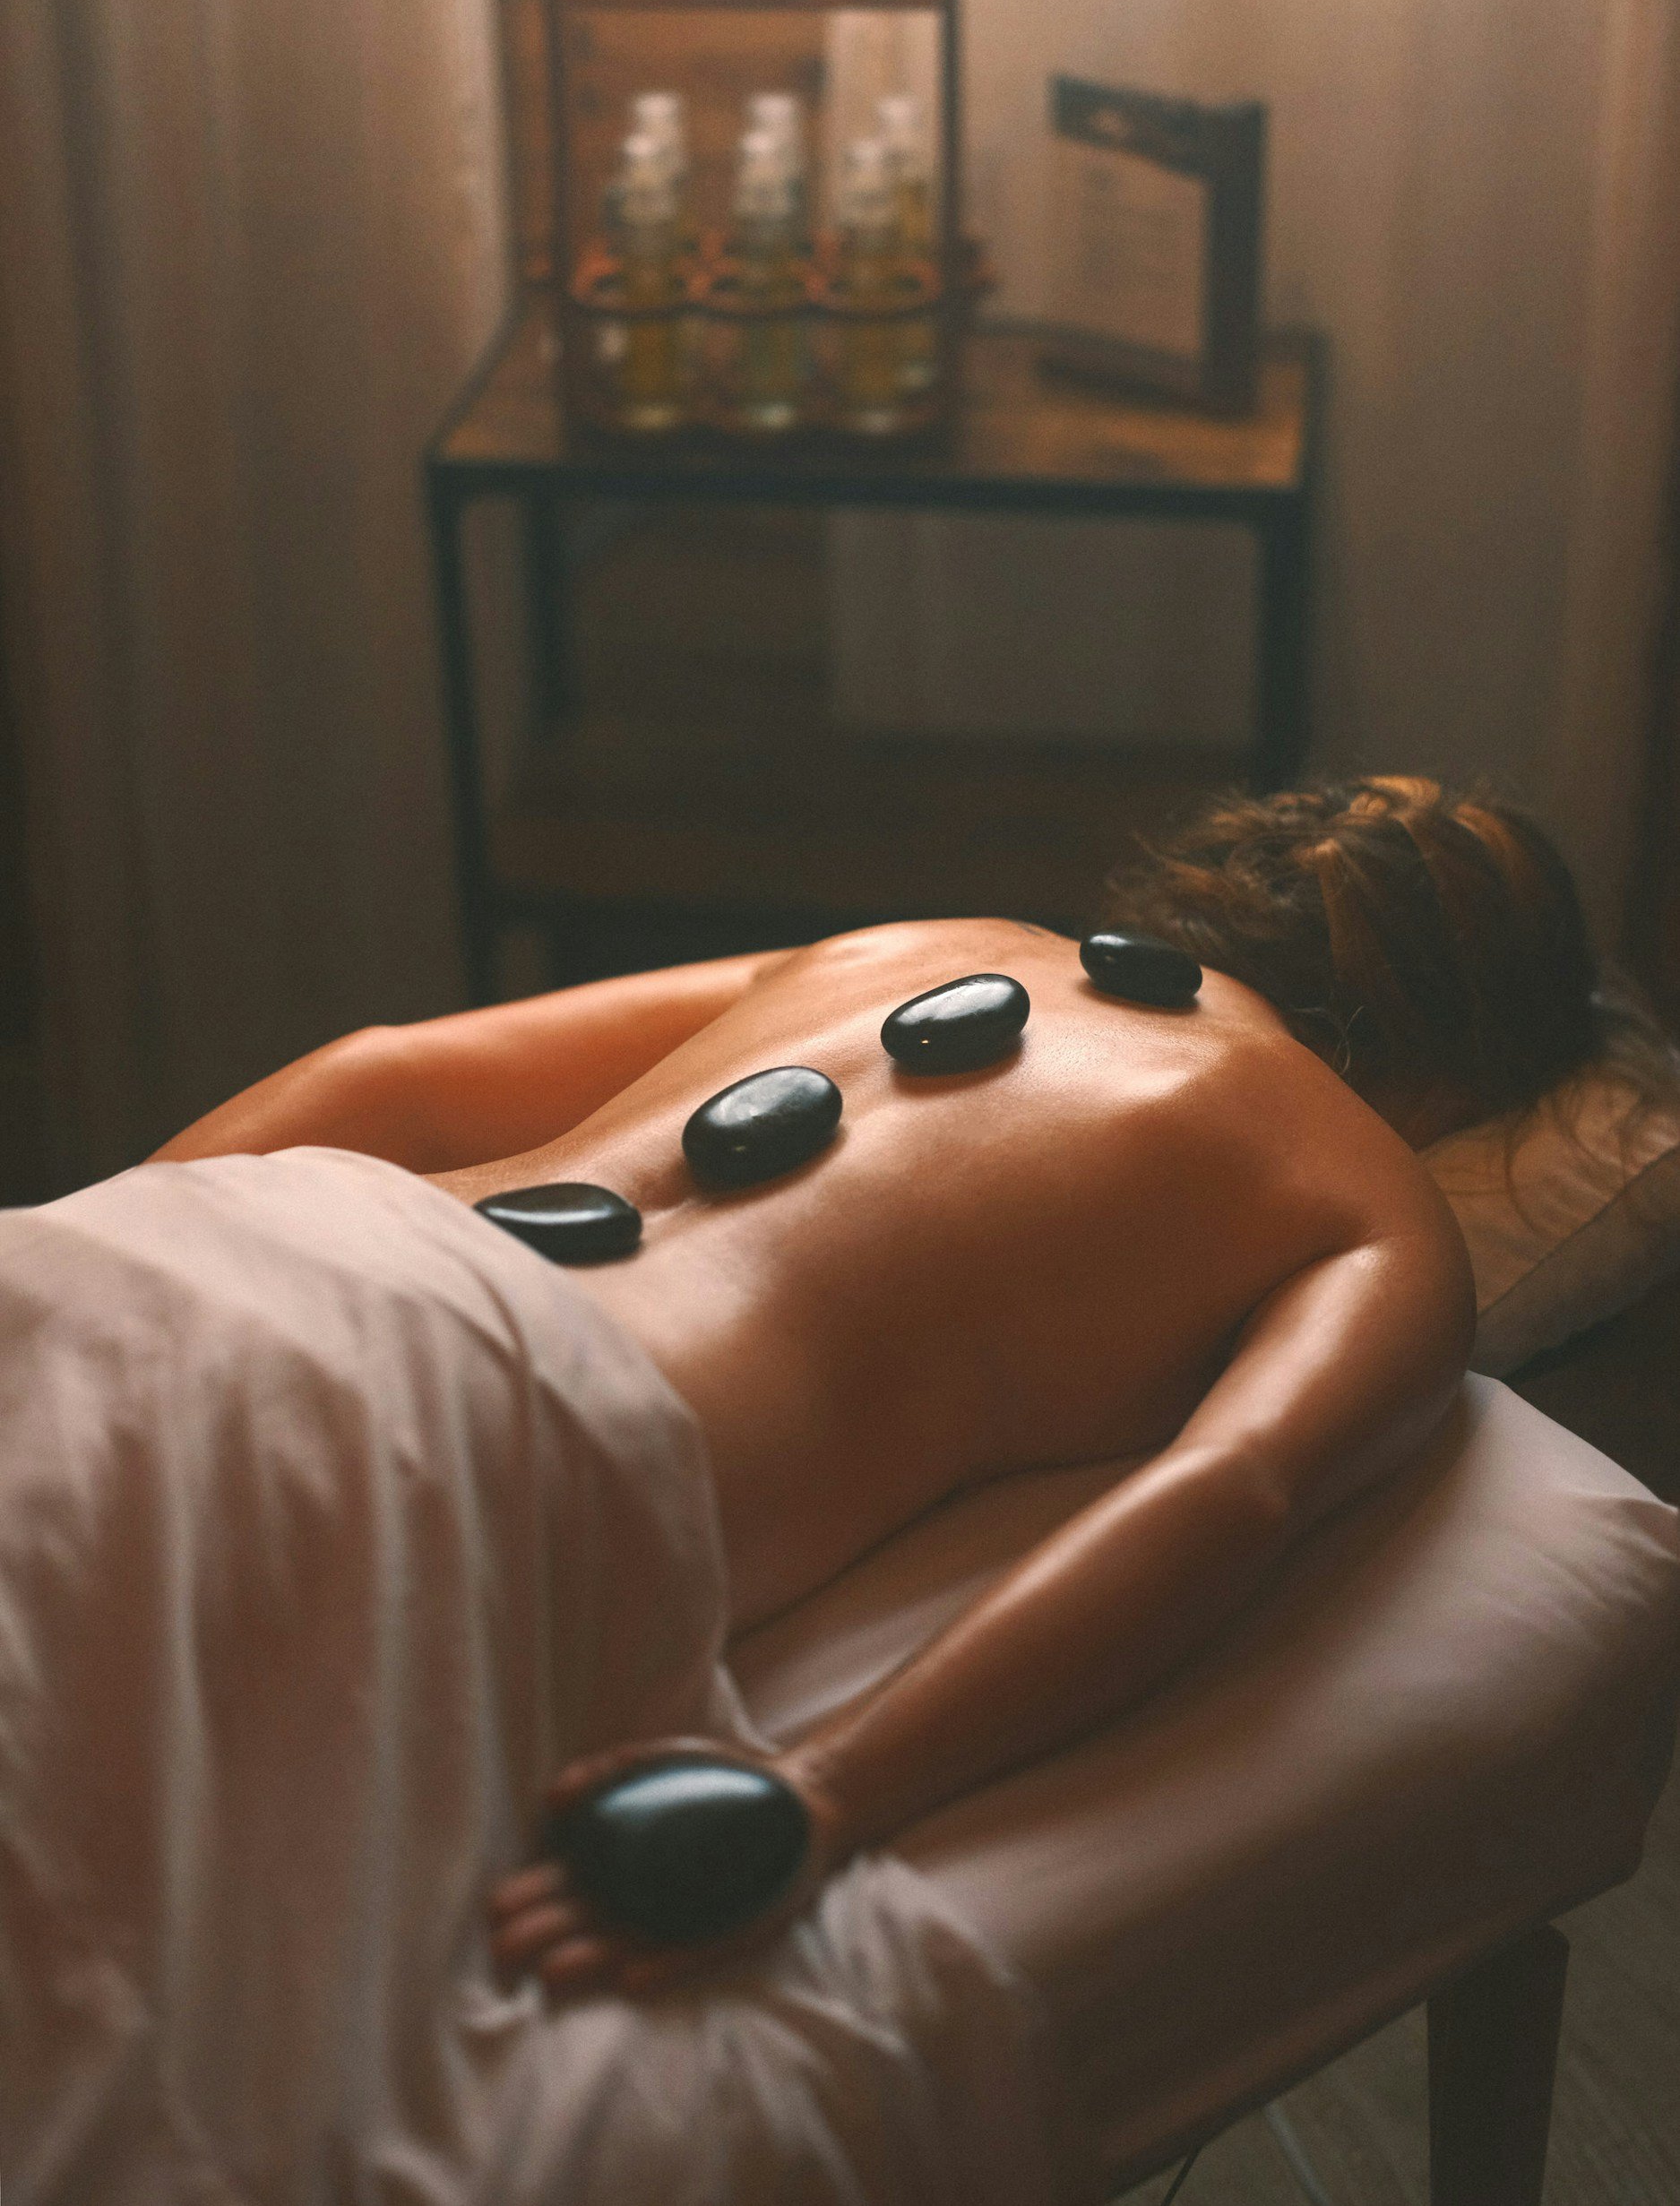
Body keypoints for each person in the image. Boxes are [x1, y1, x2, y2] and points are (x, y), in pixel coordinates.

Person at [147, 775, 1628, 2001]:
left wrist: (86, 1259)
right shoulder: (1370, 1200)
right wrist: (819, 1796)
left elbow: (383, 1072)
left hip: (226, 1271)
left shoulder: (928, 941)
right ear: (1477, 1075)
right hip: (505, 1457)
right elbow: (1228, 1495)